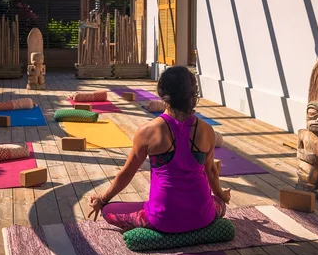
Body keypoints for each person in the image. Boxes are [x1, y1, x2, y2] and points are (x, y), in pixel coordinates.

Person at [88, 66, 231, 233]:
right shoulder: (207, 130)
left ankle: (153, 213)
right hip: (202, 217)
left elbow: (127, 173)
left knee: (108, 211)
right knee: (218, 204)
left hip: (162, 220)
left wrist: (102, 200)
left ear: (163, 94)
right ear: (193, 95)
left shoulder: (147, 132)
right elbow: (212, 172)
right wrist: (222, 195)